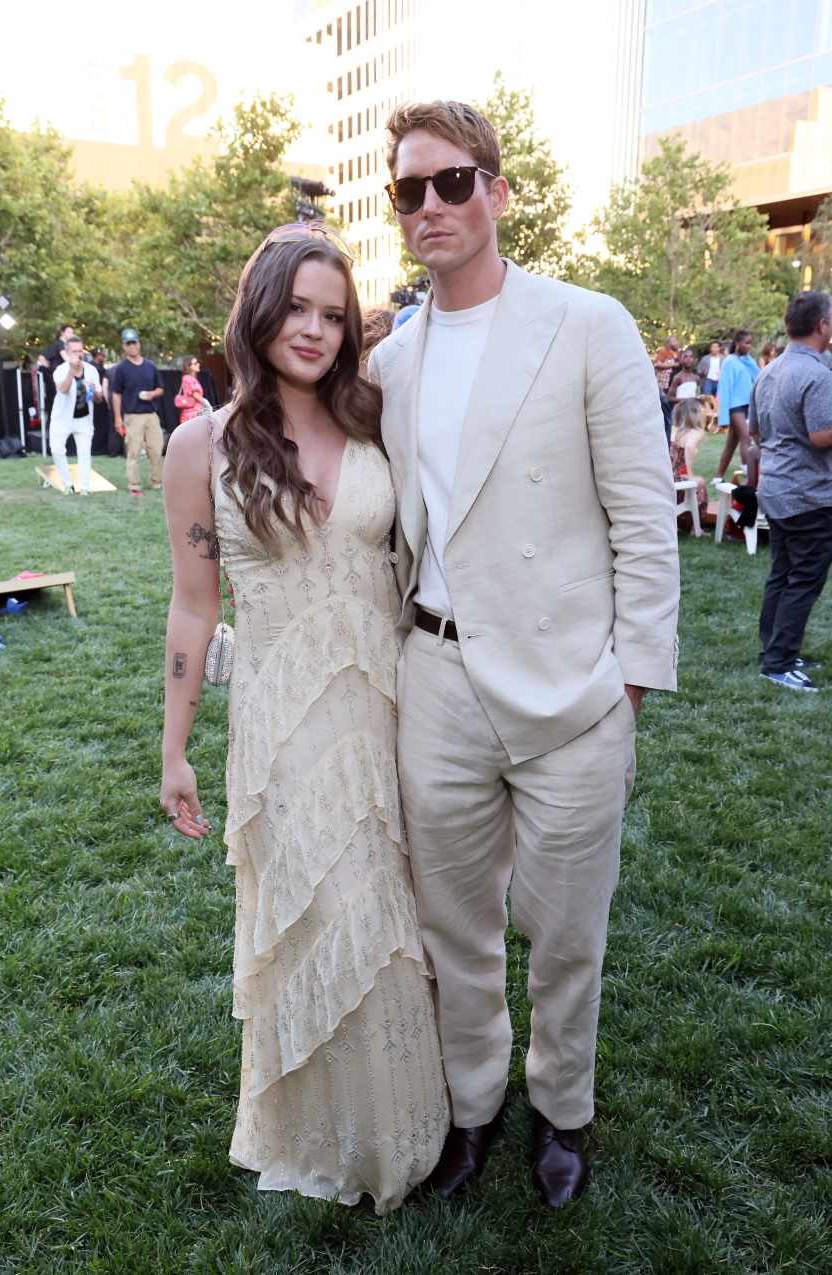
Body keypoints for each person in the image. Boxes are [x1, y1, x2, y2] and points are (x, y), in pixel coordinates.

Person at [369, 99, 680, 1208]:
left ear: (496, 193)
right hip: (436, 678)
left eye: (452, 181)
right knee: (451, 926)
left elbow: (644, 515)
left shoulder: (587, 323)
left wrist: (629, 683)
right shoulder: (391, 360)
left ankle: (562, 1108)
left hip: (573, 689)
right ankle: (472, 1107)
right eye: (409, 189)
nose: (431, 204)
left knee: (565, 932)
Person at [159, 223, 448, 1212]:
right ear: (258, 311)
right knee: (320, 911)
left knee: (389, 911)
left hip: (390, 705)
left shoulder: (376, 420)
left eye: (333, 314)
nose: (315, 329)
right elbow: (192, 604)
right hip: (282, 723)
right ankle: (326, 1132)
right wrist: (174, 749)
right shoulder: (201, 445)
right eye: (296, 308)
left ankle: (403, 1122)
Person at [750, 290, 832, 691]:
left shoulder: (768, 371)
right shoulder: (817, 375)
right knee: (804, 578)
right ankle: (779, 663)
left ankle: (775, 650)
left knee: (782, 574)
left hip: (776, 488)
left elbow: (755, 431)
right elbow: (821, 436)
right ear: (822, 325)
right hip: (808, 494)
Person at [111, 327, 165, 497]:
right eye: (129, 344)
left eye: (134, 342)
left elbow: (160, 388)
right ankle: (134, 486)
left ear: (139, 344)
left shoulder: (150, 366)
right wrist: (118, 418)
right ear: (124, 346)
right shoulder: (121, 368)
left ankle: (156, 483)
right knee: (133, 452)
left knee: (156, 451)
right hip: (132, 416)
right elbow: (116, 394)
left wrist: (152, 394)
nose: (132, 346)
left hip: (151, 414)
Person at [49, 335, 101, 497]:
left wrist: (94, 390)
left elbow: (99, 398)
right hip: (62, 419)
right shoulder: (61, 370)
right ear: (67, 353)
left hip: (84, 418)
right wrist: (72, 371)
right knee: (57, 450)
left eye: (80, 351)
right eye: (74, 351)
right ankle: (67, 484)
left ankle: (84, 487)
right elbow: (63, 389)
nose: (78, 354)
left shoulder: (91, 370)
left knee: (84, 453)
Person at [712, 330, 759, 483]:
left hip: (748, 405)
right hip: (735, 406)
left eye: (750, 343)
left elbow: (758, 378)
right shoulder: (729, 361)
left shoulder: (748, 361)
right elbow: (724, 389)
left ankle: (718, 477)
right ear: (737, 343)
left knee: (731, 444)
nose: (749, 346)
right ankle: (749, 476)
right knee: (746, 437)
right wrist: (723, 417)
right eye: (746, 343)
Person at [670, 398, 708, 529]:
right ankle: (694, 525)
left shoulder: (671, 429)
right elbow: (690, 446)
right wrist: (691, 475)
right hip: (675, 479)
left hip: (662, 477)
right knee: (700, 482)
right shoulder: (695, 432)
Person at [176, 356, 208, 424]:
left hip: (196, 411)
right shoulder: (188, 378)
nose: (198, 364)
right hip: (192, 414)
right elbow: (195, 394)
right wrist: (206, 403)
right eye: (195, 363)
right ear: (188, 365)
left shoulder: (192, 378)